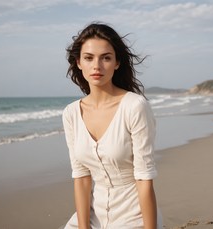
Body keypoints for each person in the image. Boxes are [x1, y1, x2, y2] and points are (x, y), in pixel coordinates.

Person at [62, 22, 162, 228]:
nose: (97, 66)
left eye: (106, 58)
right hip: (92, 214)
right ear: (79, 62)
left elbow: (144, 178)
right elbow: (81, 177)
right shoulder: (71, 113)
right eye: (89, 58)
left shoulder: (135, 106)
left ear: (117, 63)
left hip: (134, 213)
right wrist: (83, 227)